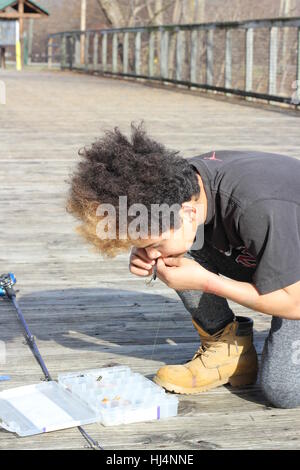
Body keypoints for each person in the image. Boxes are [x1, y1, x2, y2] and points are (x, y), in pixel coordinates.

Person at [67, 122, 300, 409]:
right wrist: (143, 248)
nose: (149, 253)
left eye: (152, 243)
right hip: (274, 250)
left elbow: (295, 304)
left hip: (294, 282)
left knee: (284, 390)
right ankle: (227, 352)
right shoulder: (171, 187)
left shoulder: (258, 207)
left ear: (188, 213)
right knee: (176, 252)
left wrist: (205, 281)